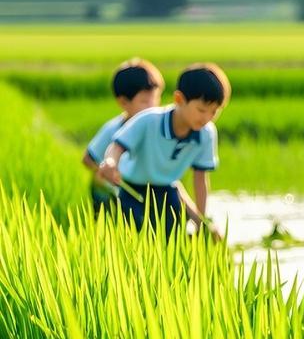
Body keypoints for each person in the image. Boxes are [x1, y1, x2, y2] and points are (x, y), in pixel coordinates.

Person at [95, 63, 229, 238]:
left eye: (214, 112)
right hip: (132, 189)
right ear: (179, 100)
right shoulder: (149, 120)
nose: (207, 118)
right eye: (201, 110)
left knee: (172, 239)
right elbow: (117, 146)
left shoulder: (207, 133)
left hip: (167, 191)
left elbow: (200, 179)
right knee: (133, 238)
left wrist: (201, 221)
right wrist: (111, 162)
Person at [82, 58, 164, 213]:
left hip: (142, 186)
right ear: (124, 102)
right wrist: (106, 172)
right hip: (115, 188)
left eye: (156, 98)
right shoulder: (114, 129)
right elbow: (87, 159)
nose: (153, 106)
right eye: (145, 101)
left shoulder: (156, 129)